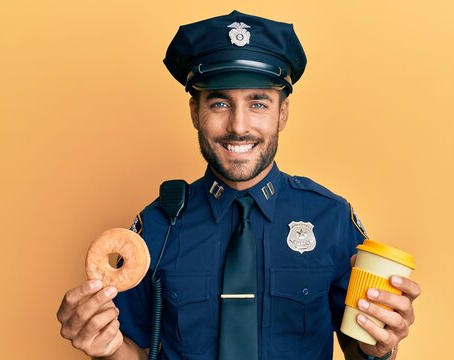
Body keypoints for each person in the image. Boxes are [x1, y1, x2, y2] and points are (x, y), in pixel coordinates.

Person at [57, 11, 420, 360]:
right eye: (219, 103)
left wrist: (381, 347)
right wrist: (106, 347)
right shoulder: (154, 227)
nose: (238, 126)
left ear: (283, 113)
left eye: (258, 103)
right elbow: (133, 351)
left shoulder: (332, 218)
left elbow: (361, 349)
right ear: (194, 112)